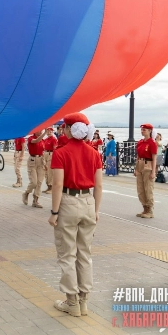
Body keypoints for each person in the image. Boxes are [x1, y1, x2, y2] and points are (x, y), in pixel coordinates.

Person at [49, 112, 102, 317]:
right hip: (88, 201)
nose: (62, 130)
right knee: (85, 254)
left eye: (64, 127)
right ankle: (84, 301)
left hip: (68, 202)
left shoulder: (60, 152)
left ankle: (71, 302)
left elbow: (58, 185)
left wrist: (54, 212)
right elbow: (98, 185)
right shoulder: (94, 153)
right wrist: (96, 210)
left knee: (67, 254)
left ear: (70, 129)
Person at [135, 123, 157, 218]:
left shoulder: (152, 143)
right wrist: (136, 168)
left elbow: (154, 158)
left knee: (148, 188)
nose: (142, 131)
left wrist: (153, 171)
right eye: (142, 129)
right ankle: (144, 208)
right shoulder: (140, 142)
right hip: (140, 164)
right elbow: (138, 156)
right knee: (140, 188)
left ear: (149, 131)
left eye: (144, 130)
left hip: (148, 165)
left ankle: (150, 210)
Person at [22, 129, 47, 207]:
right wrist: (45, 133)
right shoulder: (31, 138)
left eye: (42, 131)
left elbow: (43, 152)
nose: (41, 132)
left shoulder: (43, 140)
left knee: (39, 182)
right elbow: (36, 141)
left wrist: (45, 163)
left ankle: (35, 200)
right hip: (32, 161)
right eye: (39, 130)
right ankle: (26, 193)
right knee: (34, 182)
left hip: (41, 161)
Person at [42, 127, 58, 193]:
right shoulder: (46, 139)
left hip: (50, 154)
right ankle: (48, 186)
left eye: (50, 131)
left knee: (50, 172)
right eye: (48, 131)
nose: (49, 132)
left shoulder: (53, 139)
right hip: (45, 153)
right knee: (45, 171)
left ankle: (51, 187)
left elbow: (55, 148)